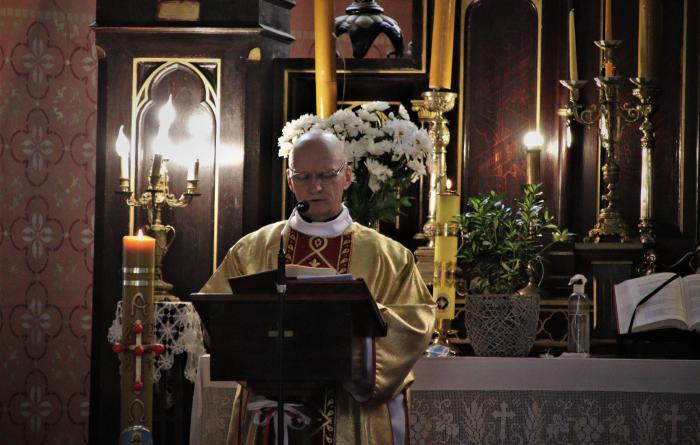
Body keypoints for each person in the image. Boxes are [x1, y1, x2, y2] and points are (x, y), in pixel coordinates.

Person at [201, 130, 435, 445]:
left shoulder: (388, 256)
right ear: (289, 180)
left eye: (327, 174)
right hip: (271, 407)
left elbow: (415, 322)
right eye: (304, 176)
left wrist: (352, 330)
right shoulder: (253, 249)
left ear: (348, 176)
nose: (316, 187)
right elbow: (216, 314)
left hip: (350, 414)